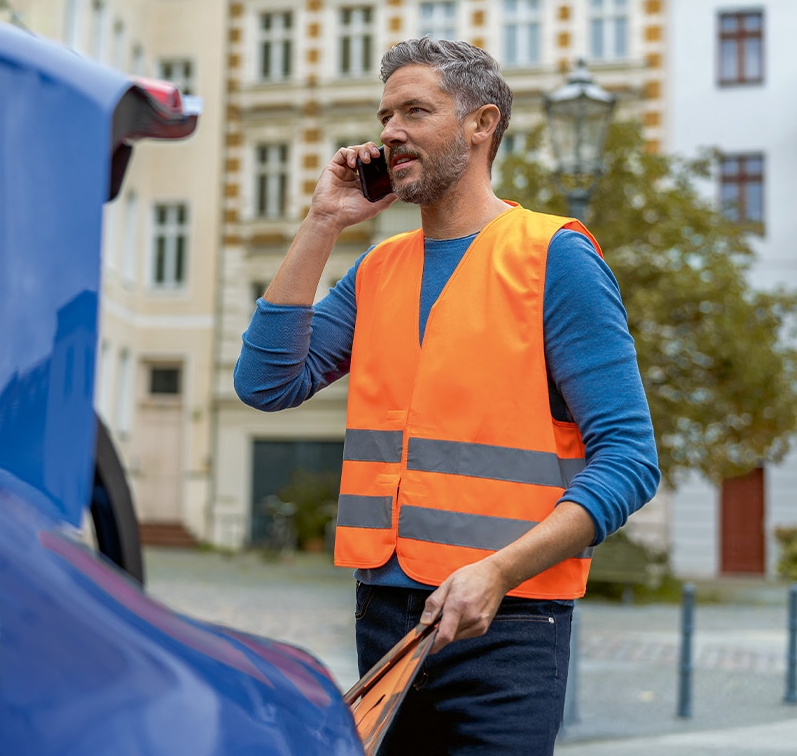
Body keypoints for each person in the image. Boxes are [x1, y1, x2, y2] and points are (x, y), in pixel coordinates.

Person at [234, 38, 660, 754]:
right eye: (384, 115)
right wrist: (323, 223)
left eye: (415, 111)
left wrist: (497, 572)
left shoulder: (554, 256)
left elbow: (630, 460)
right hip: (387, 615)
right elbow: (266, 383)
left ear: (480, 124)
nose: (389, 132)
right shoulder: (378, 270)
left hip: (510, 623)